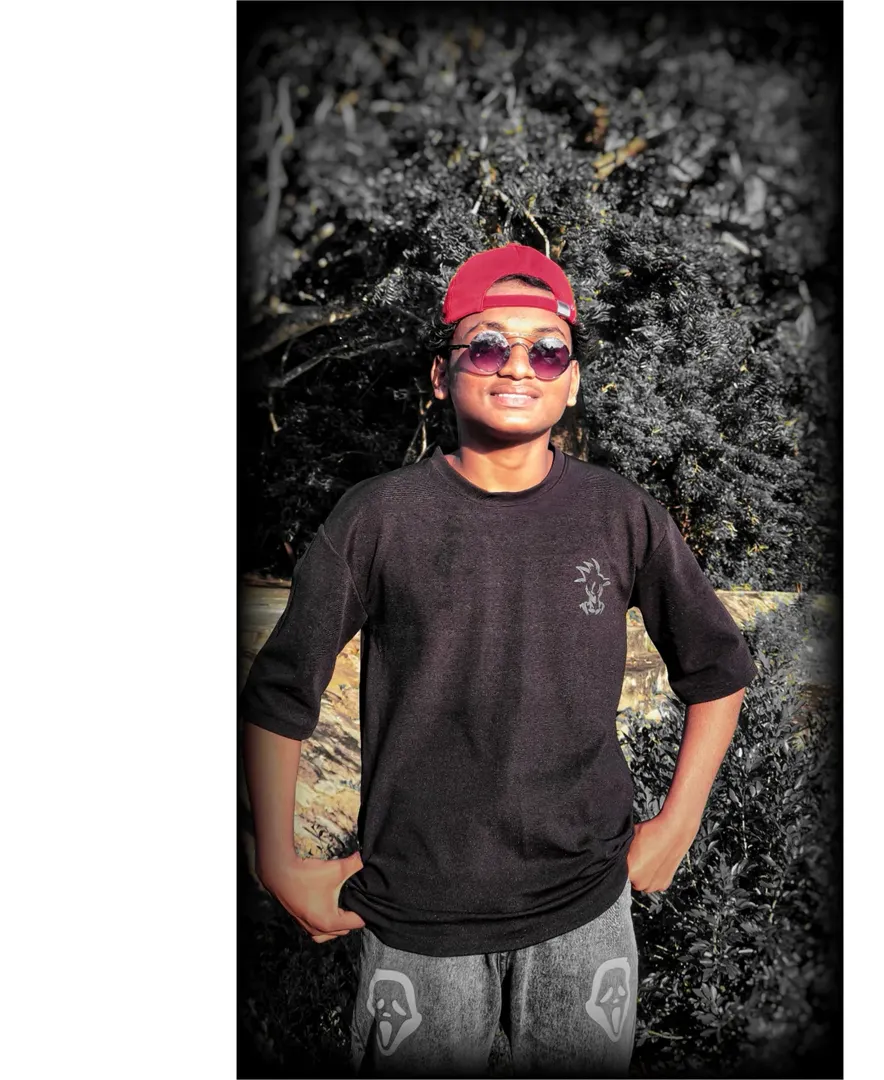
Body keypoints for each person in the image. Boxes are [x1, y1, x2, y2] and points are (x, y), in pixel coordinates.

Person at [240, 242, 757, 1077]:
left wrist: (678, 825)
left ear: (572, 381)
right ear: (441, 375)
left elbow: (718, 669)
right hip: (417, 916)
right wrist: (277, 861)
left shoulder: (622, 515)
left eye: (547, 351)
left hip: (586, 908)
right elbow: (278, 693)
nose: (518, 365)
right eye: (486, 346)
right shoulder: (378, 518)